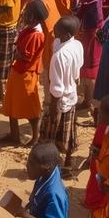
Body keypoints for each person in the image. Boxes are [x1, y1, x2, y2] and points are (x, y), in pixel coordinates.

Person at [40, 15, 84, 171]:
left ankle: (54, 166)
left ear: (67, 34)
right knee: (69, 132)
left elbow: (57, 88)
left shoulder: (58, 57)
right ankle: (68, 162)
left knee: (53, 135)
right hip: (71, 96)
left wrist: (54, 107)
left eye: (57, 29)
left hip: (60, 101)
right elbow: (78, 70)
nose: (54, 30)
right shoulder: (77, 45)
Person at [3, 1, 47, 145]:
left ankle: (35, 137)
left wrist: (16, 51)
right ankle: (14, 134)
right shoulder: (29, 29)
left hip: (26, 74)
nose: (25, 16)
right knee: (11, 104)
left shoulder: (37, 35)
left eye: (28, 14)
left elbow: (26, 56)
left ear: (35, 18)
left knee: (30, 109)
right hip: (18, 71)